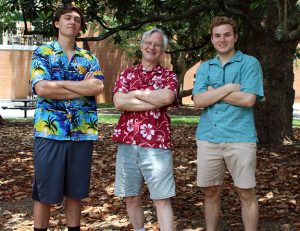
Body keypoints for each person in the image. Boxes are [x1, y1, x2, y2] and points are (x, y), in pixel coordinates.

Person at [30, 5, 104, 231]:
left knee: (75, 191)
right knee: (44, 192)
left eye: (77, 20)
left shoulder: (89, 58)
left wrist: (60, 85)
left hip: (82, 133)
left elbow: (98, 86)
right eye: (67, 18)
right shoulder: (42, 53)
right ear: (56, 23)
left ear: (81, 27)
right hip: (50, 131)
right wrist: (82, 87)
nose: (73, 22)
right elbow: (42, 88)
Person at [192, 16, 264, 231]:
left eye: (226, 35)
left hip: (240, 137)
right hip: (208, 138)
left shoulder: (250, 63)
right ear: (212, 39)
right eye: (217, 36)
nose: (222, 39)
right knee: (211, 191)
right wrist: (230, 88)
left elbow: (248, 99)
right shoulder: (205, 67)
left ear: (235, 37)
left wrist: (212, 92)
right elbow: (198, 101)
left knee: (246, 192)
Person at [112, 28, 178, 231]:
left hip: (157, 145)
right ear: (141, 45)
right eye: (149, 43)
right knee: (131, 197)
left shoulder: (169, 76)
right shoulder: (126, 73)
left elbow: (167, 98)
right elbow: (118, 102)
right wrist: (153, 100)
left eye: (157, 45)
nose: (152, 47)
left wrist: (136, 93)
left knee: (161, 198)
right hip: (127, 143)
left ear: (163, 49)